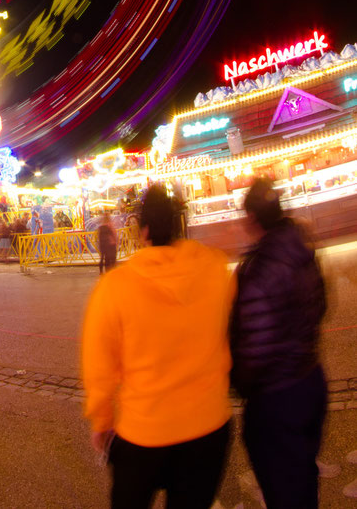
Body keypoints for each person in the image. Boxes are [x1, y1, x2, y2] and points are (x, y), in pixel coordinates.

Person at [82, 184, 233, 509]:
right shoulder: (216, 269)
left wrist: (102, 421)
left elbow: (99, 368)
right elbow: (231, 333)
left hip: (144, 433)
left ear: (143, 229)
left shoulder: (115, 287)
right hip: (209, 427)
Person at [230, 177, 327, 509]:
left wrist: (241, 384)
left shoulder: (259, 268)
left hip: (276, 395)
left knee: (282, 486)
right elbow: (321, 305)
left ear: (253, 219)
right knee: (302, 474)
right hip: (311, 378)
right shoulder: (301, 247)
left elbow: (253, 343)